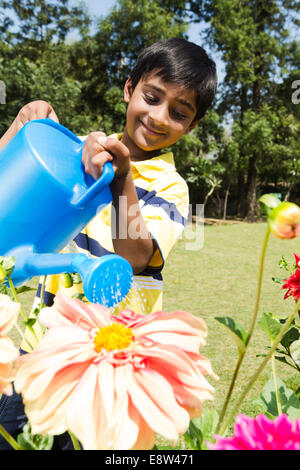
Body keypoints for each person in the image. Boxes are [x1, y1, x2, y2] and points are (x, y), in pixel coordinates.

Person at [0, 37, 217, 449]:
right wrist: (21, 127)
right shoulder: (81, 154)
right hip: (38, 352)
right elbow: (6, 188)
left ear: (190, 126)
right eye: (151, 97)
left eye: (178, 112)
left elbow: (135, 257)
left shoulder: (171, 188)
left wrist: (123, 179)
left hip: (105, 369)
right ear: (129, 89)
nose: (157, 116)